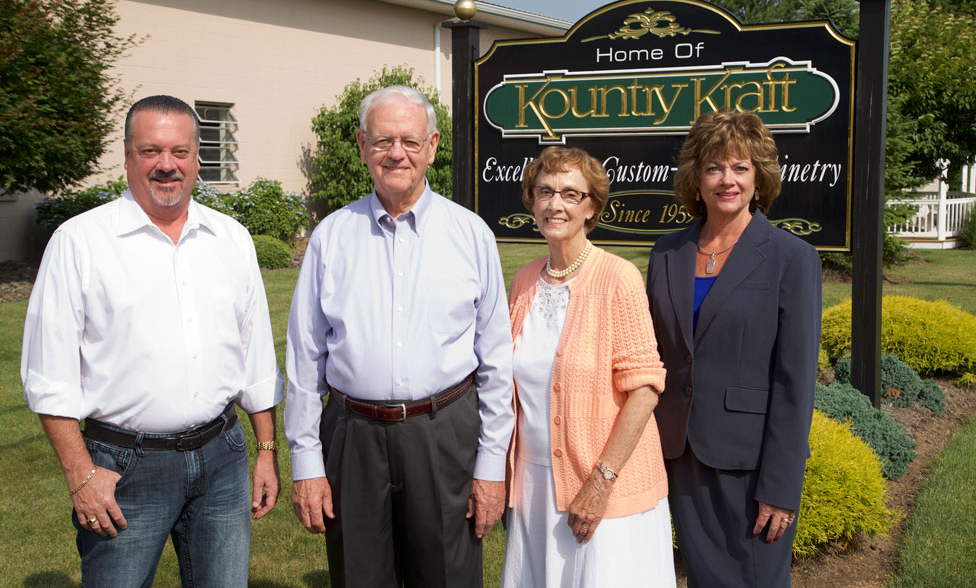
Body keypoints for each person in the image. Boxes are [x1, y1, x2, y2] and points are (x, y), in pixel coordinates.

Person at [20, 95, 285, 587]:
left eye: (180, 152)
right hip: (123, 468)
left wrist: (266, 450)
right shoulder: (80, 243)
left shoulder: (230, 238)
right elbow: (47, 377)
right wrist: (82, 475)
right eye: (150, 151)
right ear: (126, 157)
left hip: (222, 458)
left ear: (196, 159)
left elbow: (256, 358)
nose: (167, 165)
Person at [285, 85, 513, 588]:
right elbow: (304, 358)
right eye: (383, 140)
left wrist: (492, 465)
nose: (396, 153)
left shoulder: (470, 234)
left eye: (409, 141)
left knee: (447, 578)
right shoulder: (332, 237)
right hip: (353, 437)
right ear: (363, 147)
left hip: (445, 432)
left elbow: (496, 361)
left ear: (432, 146)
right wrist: (305, 462)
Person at [646, 110, 822, 586]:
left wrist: (781, 487)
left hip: (749, 465)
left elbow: (795, 381)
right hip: (678, 455)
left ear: (759, 176)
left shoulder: (792, 258)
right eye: (714, 168)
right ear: (695, 178)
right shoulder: (667, 252)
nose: (728, 180)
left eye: (740, 168)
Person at [501, 145, 675, 588]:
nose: (554, 204)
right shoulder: (524, 281)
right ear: (532, 200)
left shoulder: (618, 277)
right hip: (535, 486)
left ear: (591, 206)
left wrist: (601, 483)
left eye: (570, 194)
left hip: (604, 489)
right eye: (544, 192)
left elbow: (644, 388)